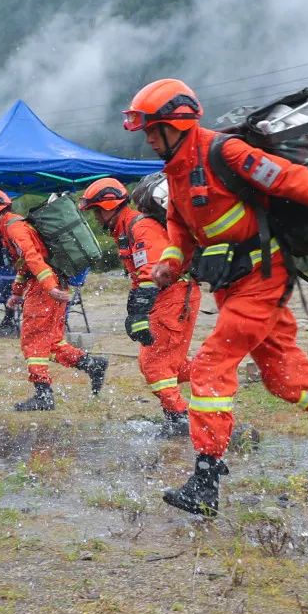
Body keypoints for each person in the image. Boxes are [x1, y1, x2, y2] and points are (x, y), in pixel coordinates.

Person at [123, 78, 308, 516]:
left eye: (153, 129)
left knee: (211, 367)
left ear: (177, 123)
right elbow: (181, 230)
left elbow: (299, 182)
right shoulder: (176, 172)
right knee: (282, 374)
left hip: (262, 276)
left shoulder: (226, 153)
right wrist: (170, 264)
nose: (148, 139)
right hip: (234, 285)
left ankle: (206, 477)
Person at [78, 178, 199, 437]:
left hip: (173, 296)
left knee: (154, 364)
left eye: (97, 210)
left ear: (110, 206)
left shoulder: (140, 226)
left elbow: (154, 271)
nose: (96, 218)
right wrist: (134, 311)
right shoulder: (126, 229)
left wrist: (139, 311)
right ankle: (213, 371)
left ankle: (181, 419)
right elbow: (139, 275)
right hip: (167, 297)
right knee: (164, 365)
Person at [0, 189, 109, 411]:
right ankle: (93, 365)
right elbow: (25, 263)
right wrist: (17, 291)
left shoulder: (14, 228)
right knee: (52, 343)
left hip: (45, 287)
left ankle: (43, 395)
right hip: (50, 283)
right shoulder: (11, 227)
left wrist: (50, 288)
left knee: (33, 339)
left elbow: (34, 258)